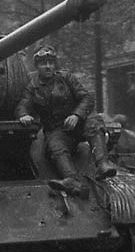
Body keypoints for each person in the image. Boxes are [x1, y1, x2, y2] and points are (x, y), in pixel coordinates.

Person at [16, 45, 116, 198]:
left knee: (94, 123)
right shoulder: (33, 86)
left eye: (50, 62)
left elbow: (87, 97)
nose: (48, 66)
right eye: (43, 63)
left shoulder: (66, 78)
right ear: (37, 66)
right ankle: (73, 181)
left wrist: (77, 115)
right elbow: (23, 103)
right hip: (57, 129)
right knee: (55, 147)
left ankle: (102, 163)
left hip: (79, 123)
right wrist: (23, 114)